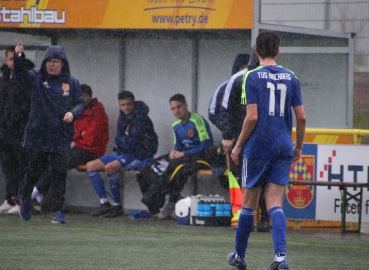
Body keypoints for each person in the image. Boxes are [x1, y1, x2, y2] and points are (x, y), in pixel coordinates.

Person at [227, 31, 306, 270]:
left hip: (258, 146)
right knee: (275, 203)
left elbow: (251, 117)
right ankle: (280, 258)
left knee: (249, 204)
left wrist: (238, 145)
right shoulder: (291, 77)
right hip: (283, 145)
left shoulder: (250, 77)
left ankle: (239, 257)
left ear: (256, 52)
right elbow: (301, 117)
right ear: (278, 51)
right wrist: (298, 147)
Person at [14, 41, 86, 223]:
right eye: (49, 61)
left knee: (59, 173)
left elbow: (80, 103)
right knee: (34, 169)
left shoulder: (72, 82)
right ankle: (25, 199)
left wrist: (73, 113)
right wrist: (19, 56)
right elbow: (21, 75)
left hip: (60, 135)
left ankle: (57, 211)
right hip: (39, 133)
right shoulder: (37, 77)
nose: (51, 65)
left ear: (63, 63)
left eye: (55, 61)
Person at [31, 84, 109, 209]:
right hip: (80, 149)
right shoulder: (78, 111)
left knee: (59, 164)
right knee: (54, 163)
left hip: (92, 151)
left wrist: (80, 134)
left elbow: (91, 138)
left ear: (89, 96)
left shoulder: (97, 111)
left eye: (82, 96)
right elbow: (71, 133)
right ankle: (43, 199)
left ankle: (36, 193)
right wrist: (80, 134)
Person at [137, 93, 214, 219]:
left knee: (174, 169)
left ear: (186, 106)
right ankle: (156, 205)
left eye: (179, 107)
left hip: (201, 157)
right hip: (184, 156)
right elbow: (178, 146)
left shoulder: (196, 120)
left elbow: (206, 146)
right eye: (173, 109)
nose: (176, 111)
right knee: (147, 169)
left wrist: (183, 153)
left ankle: (172, 200)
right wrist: (174, 152)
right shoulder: (176, 125)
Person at [87, 90, 158, 218]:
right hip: (122, 153)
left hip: (138, 155)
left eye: (129, 104)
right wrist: (125, 142)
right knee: (90, 166)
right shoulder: (122, 118)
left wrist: (125, 142)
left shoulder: (141, 118)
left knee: (110, 167)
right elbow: (118, 140)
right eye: (123, 105)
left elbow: (134, 142)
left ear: (134, 103)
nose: (126, 107)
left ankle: (117, 206)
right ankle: (104, 204)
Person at [0, 47, 34, 214]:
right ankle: (10, 197)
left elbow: (27, 104)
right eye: (10, 59)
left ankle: (22, 200)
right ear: (5, 61)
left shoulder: (26, 79)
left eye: (15, 59)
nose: (12, 62)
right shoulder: (4, 80)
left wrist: (17, 119)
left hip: (20, 130)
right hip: (4, 130)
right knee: (8, 165)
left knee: (22, 166)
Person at [208, 54, 249, 131]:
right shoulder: (225, 87)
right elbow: (212, 112)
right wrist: (229, 131)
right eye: (244, 68)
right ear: (239, 68)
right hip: (233, 139)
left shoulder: (256, 85)